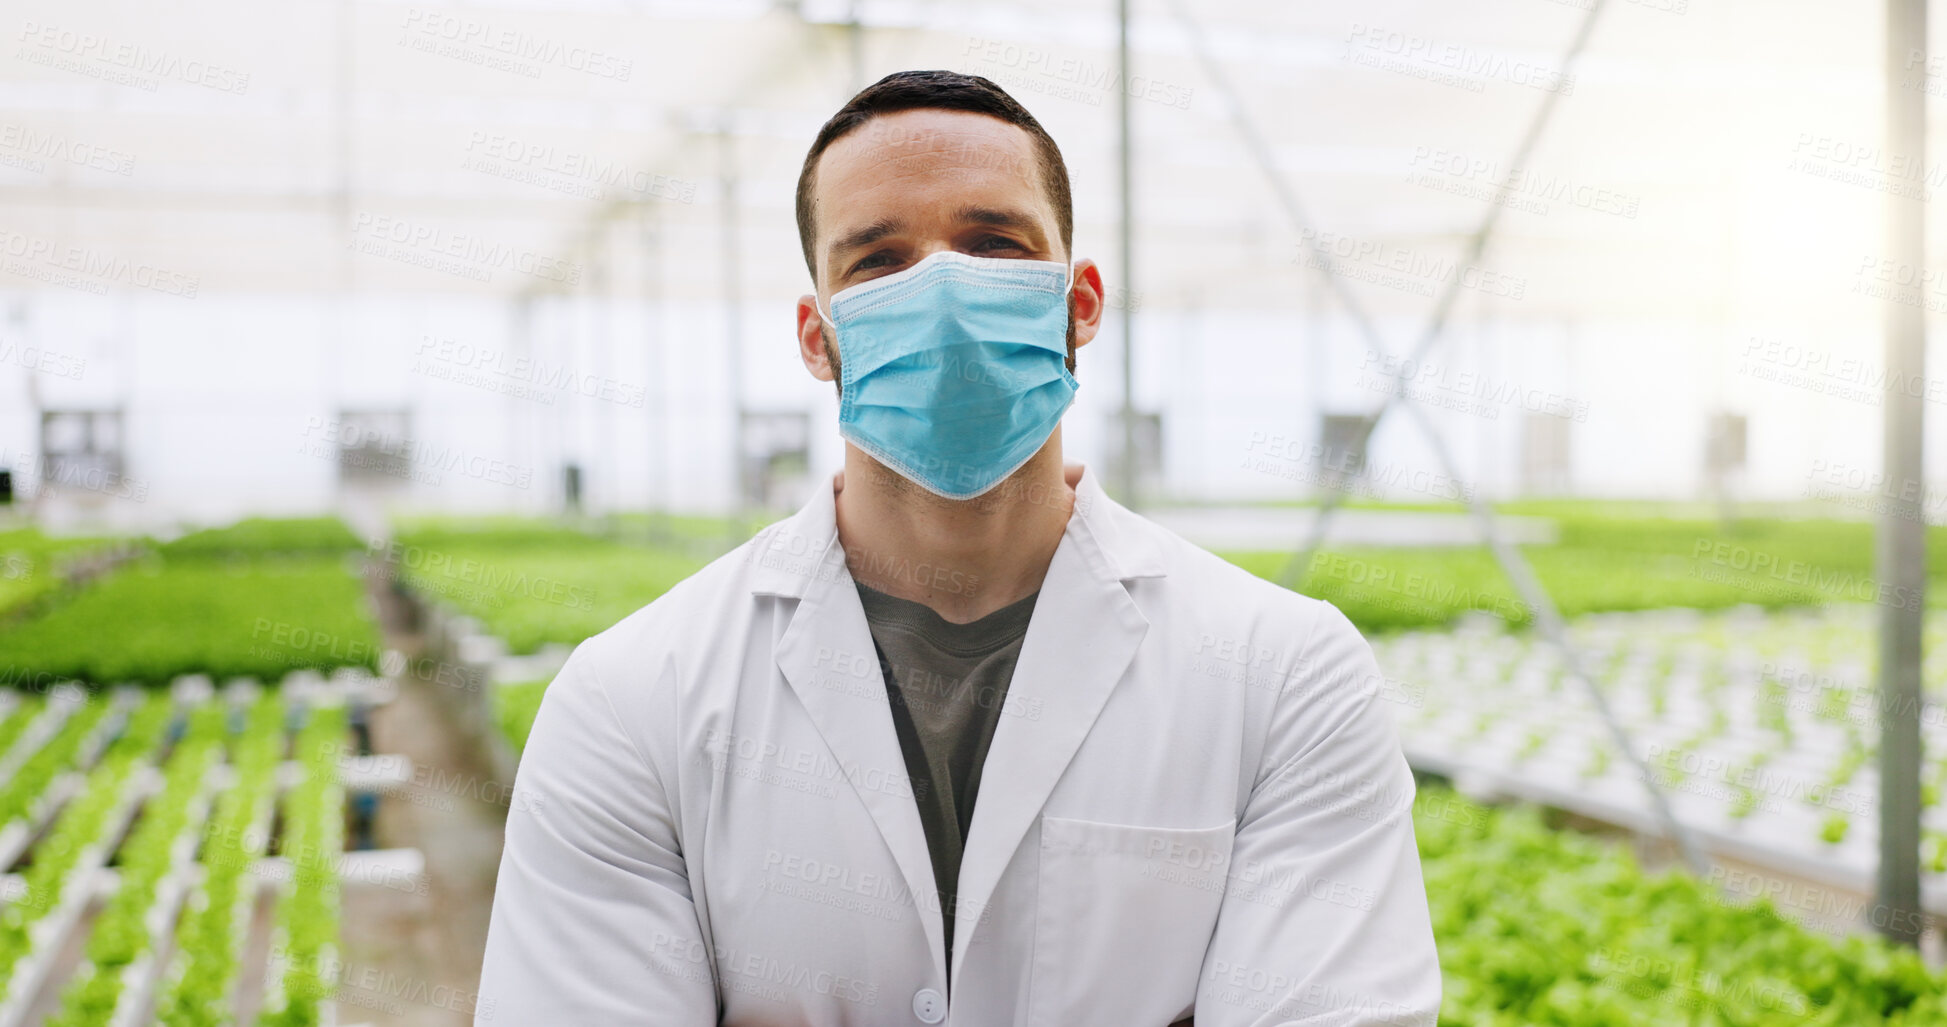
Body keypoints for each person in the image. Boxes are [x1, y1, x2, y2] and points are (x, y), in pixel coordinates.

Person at [476, 68, 1440, 1026]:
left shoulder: (1286, 674)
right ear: (818, 337)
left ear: (1080, 303)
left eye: (993, 244)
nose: (941, 288)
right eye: (878, 262)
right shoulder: (631, 699)